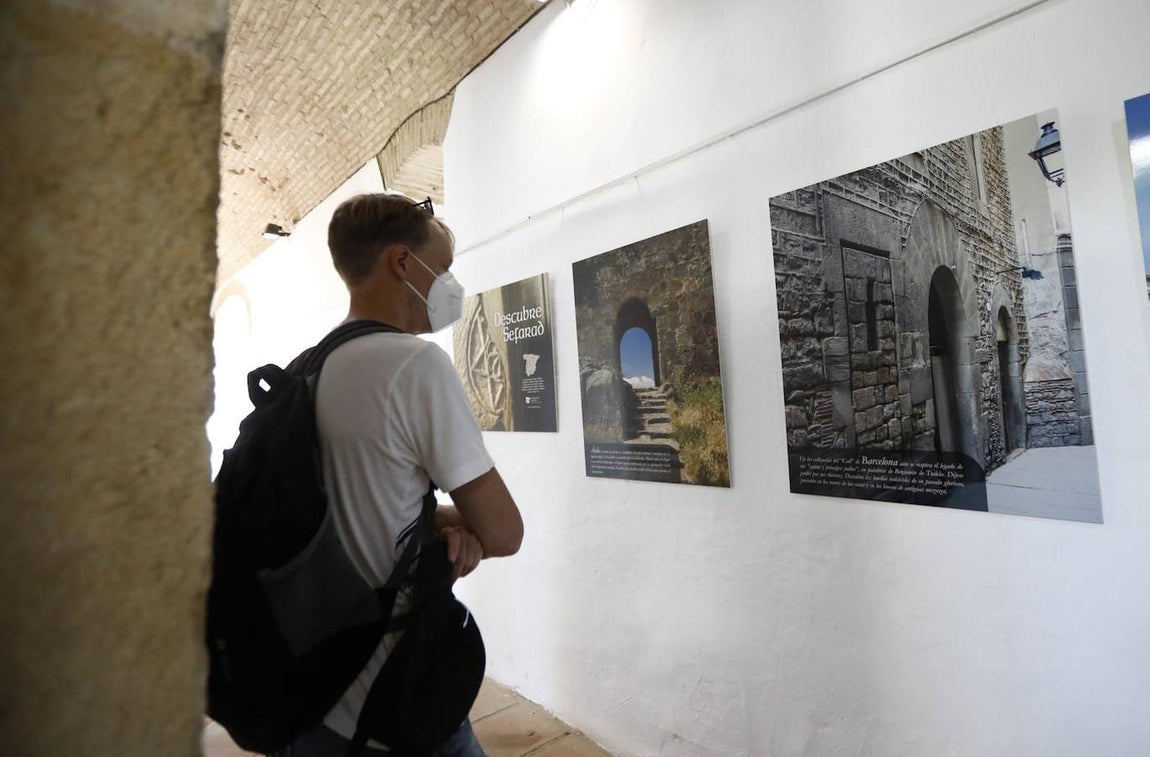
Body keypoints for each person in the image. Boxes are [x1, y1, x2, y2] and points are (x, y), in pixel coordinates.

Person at [272, 194, 524, 756]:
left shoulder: (309, 368)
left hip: (307, 688)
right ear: (403, 263)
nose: (451, 282)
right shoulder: (415, 365)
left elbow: (356, 505)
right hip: (391, 696)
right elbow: (505, 531)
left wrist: (431, 519)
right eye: (444, 266)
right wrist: (457, 522)